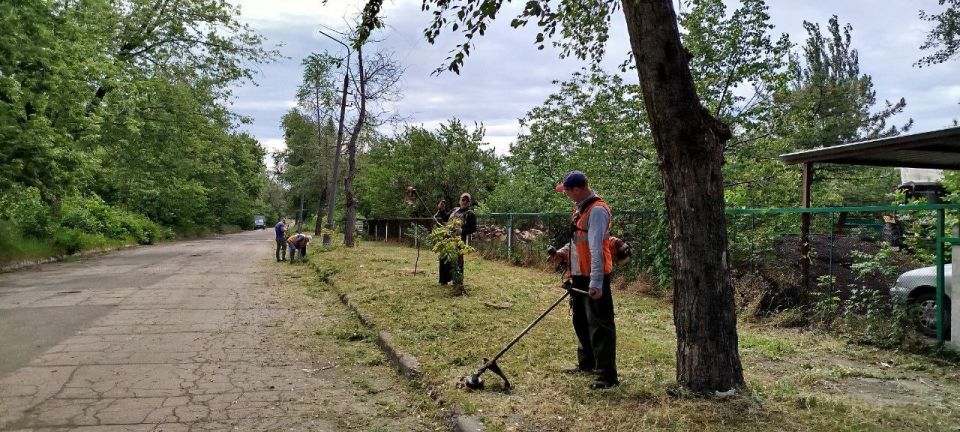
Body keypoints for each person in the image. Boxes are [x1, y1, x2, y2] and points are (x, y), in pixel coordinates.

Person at [550, 171, 618, 390]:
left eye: (567, 191)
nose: (566, 195)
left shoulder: (597, 211)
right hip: (579, 275)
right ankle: (587, 364)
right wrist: (561, 253)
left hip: (594, 276)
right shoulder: (580, 209)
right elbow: (577, 242)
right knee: (580, 320)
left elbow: (597, 248)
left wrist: (596, 283)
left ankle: (606, 375)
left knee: (600, 326)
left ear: (577, 190)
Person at [439, 193, 477, 287]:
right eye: (463, 200)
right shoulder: (454, 210)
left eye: (466, 200)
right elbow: (445, 217)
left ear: (469, 202)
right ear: (459, 200)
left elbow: (473, 227)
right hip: (447, 238)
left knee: (457, 260)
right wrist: (442, 210)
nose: (464, 202)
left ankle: (457, 281)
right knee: (444, 257)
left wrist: (462, 231)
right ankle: (444, 280)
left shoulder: (470, 214)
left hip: (459, 240)